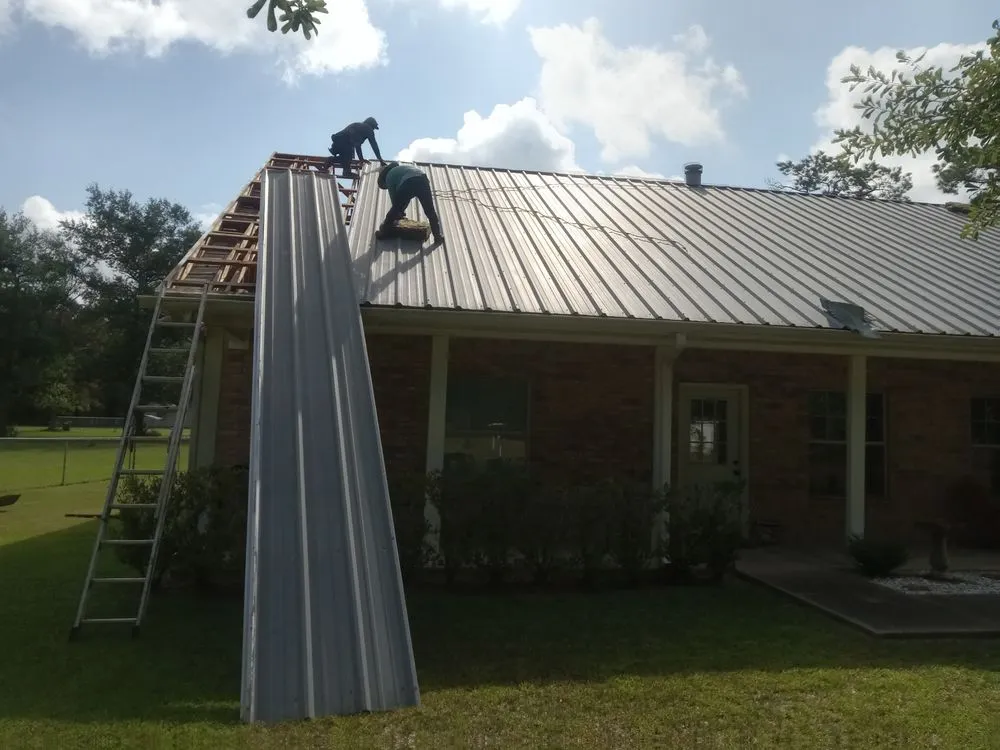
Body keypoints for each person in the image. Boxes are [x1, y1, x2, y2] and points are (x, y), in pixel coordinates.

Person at [376, 162, 443, 244]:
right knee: (430, 211)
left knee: (395, 208)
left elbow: (395, 200)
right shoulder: (401, 170)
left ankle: (383, 233)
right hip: (423, 179)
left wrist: (398, 212)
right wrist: (401, 212)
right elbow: (405, 198)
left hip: (409, 182)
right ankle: (437, 236)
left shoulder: (389, 177)